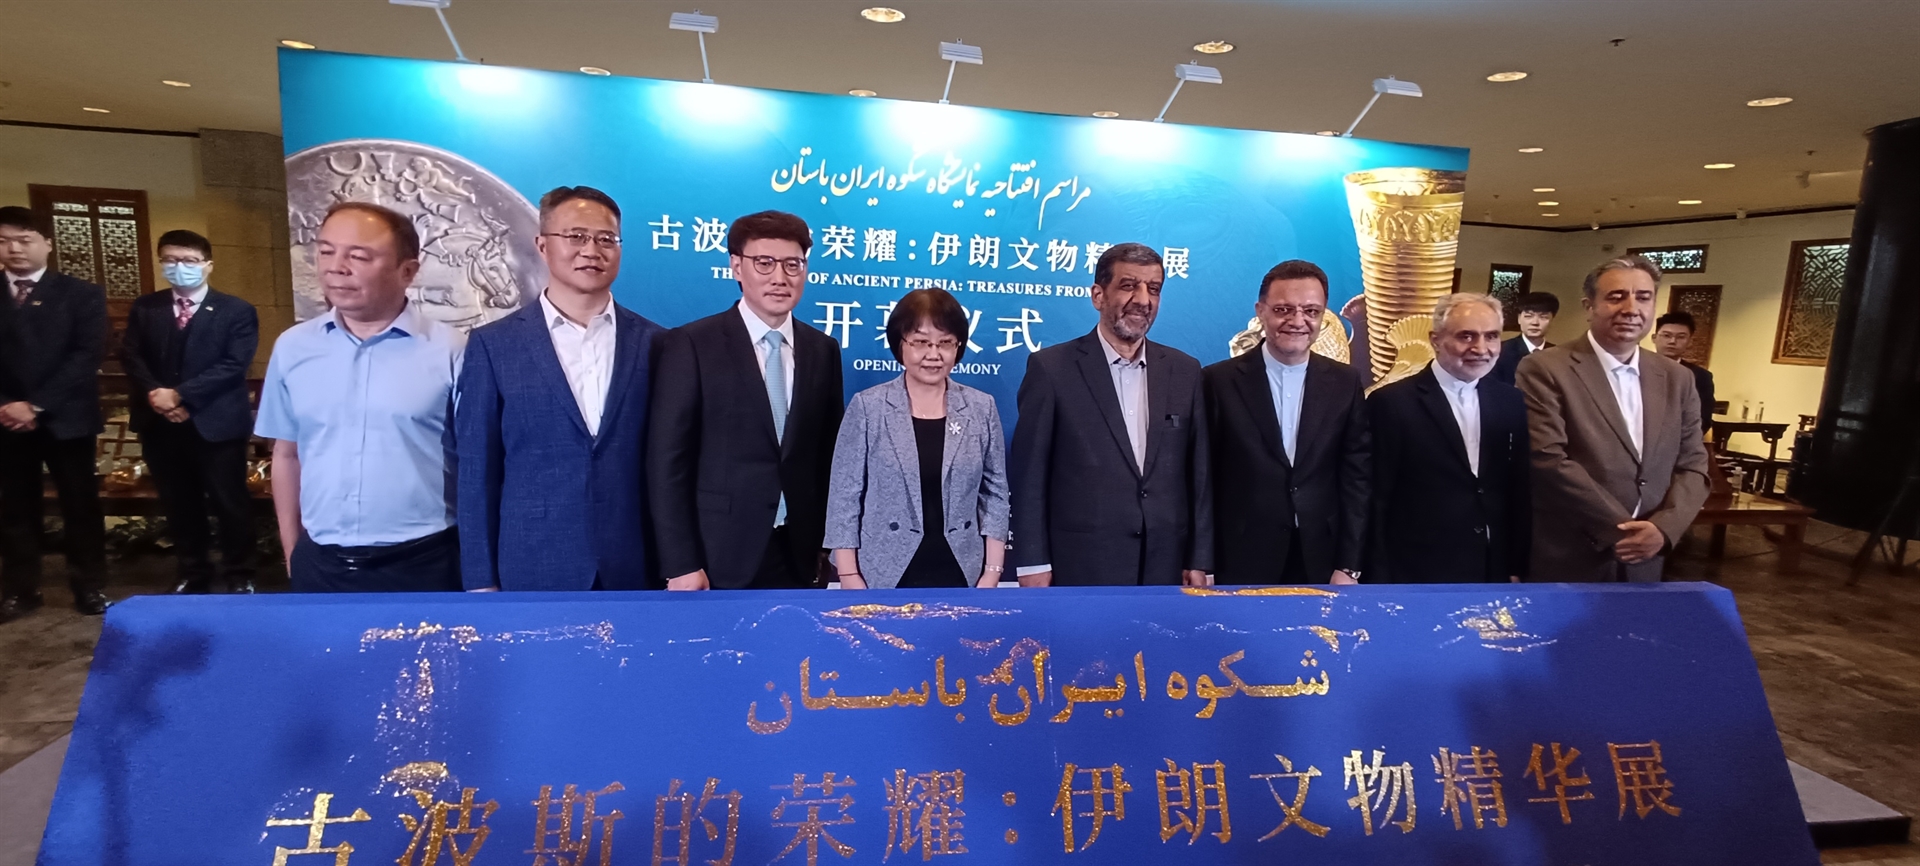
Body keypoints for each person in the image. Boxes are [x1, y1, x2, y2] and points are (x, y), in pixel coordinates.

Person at [457, 186, 662, 592]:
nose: (591, 250)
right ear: (542, 245)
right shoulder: (494, 346)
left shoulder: (659, 344)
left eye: (606, 239)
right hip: (533, 565)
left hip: (638, 565)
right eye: (576, 236)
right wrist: (481, 582)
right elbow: (477, 471)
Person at [254, 202, 466, 592]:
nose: (336, 267)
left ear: (408, 271)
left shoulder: (451, 350)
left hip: (425, 563)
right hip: (320, 564)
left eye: (359, 256)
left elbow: (476, 464)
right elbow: (287, 454)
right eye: (326, 251)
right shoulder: (293, 347)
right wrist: (292, 551)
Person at [648, 210, 843, 590]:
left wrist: (825, 546)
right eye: (764, 263)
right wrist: (681, 562)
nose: (780, 277)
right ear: (737, 267)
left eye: (792, 264)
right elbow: (667, 462)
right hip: (717, 556)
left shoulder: (823, 350)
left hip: (799, 554)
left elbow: (829, 456)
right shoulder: (692, 344)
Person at [1009, 242, 1211, 587]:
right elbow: (1030, 475)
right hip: (1081, 564)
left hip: (1165, 564)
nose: (1143, 300)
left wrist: (1200, 559)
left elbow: (1199, 475)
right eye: (1129, 286)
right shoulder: (1052, 369)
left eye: (1154, 289)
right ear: (1098, 296)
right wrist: (1032, 562)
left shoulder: (1184, 370)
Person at [1517, 255, 1710, 583]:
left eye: (1643, 297)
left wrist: (1663, 529)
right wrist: (1623, 530)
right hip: (1573, 553)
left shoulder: (1677, 378)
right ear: (1589, 306)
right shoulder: (1545, 368)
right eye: (1616, 297)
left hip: (1648, 557)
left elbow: (1693, 463)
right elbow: (1547, 458)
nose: (1631, 308)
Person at [825, 289, 1009, 589]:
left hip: (963, 569)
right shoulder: (868, 407)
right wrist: (848, 575)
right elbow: (844, 496)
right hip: (882, 571)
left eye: (945, 343)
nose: (933, 354)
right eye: (921, 342)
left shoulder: (981, 407)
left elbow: (995, 494)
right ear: (900, 344)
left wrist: (992, 571)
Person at [1202, 259, 1368, 586]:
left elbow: (1357, 478)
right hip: (1239, 556)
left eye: (1311, 311)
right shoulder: (1217, 381)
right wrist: (1202, 561)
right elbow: (1202, 480)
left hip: (1322, 558)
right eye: (1283, 310)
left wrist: (1349, 564)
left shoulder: (1345, 382)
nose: (1298, 321)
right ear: (1260, 311)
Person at [119, 229, 261, 594]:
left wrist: (181, 396)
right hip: (159, 423)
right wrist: (157, 396)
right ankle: (192, 572)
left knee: (229, 502)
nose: (179, 267)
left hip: (215, 423)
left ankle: (240, 573)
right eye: (170, 260)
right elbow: (131, 355)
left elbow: (233, 364)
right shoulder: (146, 307)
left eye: (189, 261)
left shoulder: (236, 310)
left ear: (208, 265)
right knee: (179, 503)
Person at [1366, 293, 1529, 583]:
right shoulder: (1392, 403)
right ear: (1436, 340)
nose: (1481, 348)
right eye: (1466, 336)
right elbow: (1376, 498)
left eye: (1491, 336)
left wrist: (1516, 565)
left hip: (1491, 567)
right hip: (1415, 570)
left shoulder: (1510, 400)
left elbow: (1518, 489)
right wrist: (1377, 576)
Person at [0, 206, 109, 619]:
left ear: (47, 243)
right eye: (4, 241)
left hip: (67, 417)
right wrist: (6, 404)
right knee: (15, 507)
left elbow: (86, 355)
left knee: (80, 505)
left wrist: (35, 403)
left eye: (24, 240)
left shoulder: (81, 294)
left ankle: (89, 586)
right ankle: (20, 589)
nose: (14, 248)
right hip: (6, 419)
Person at [1654, 310, 1716, 435]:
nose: (1672, 341)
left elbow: (1703, 419)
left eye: (1681, 337)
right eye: (1666, 335)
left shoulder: (1700, 376)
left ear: (1690, 341)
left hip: (1678, 442)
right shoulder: (1634, 368)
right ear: (1654, 338)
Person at [1490, 291, 1559, 386]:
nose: (1535, 322)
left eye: (1543, 317)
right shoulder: (1500, 351)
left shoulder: (1558, 355)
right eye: (1528, 316)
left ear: (1552, 320)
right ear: (1519, 319)